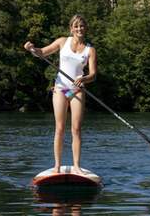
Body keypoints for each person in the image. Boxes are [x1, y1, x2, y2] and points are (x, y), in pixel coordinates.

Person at [24, 14, 97, 175]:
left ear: (85, 29)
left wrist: (84, 78)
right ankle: (57, 166)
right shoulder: (62, 41)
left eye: (81, 26)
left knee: (76, 129)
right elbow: (42, 52)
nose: (79, 29)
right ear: (71, 28)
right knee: (60, 128)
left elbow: (93, 75)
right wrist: (32, 49)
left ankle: (76, 166)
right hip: (60, 88)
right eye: (76, 26)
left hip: (76, 90)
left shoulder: (89, 50)